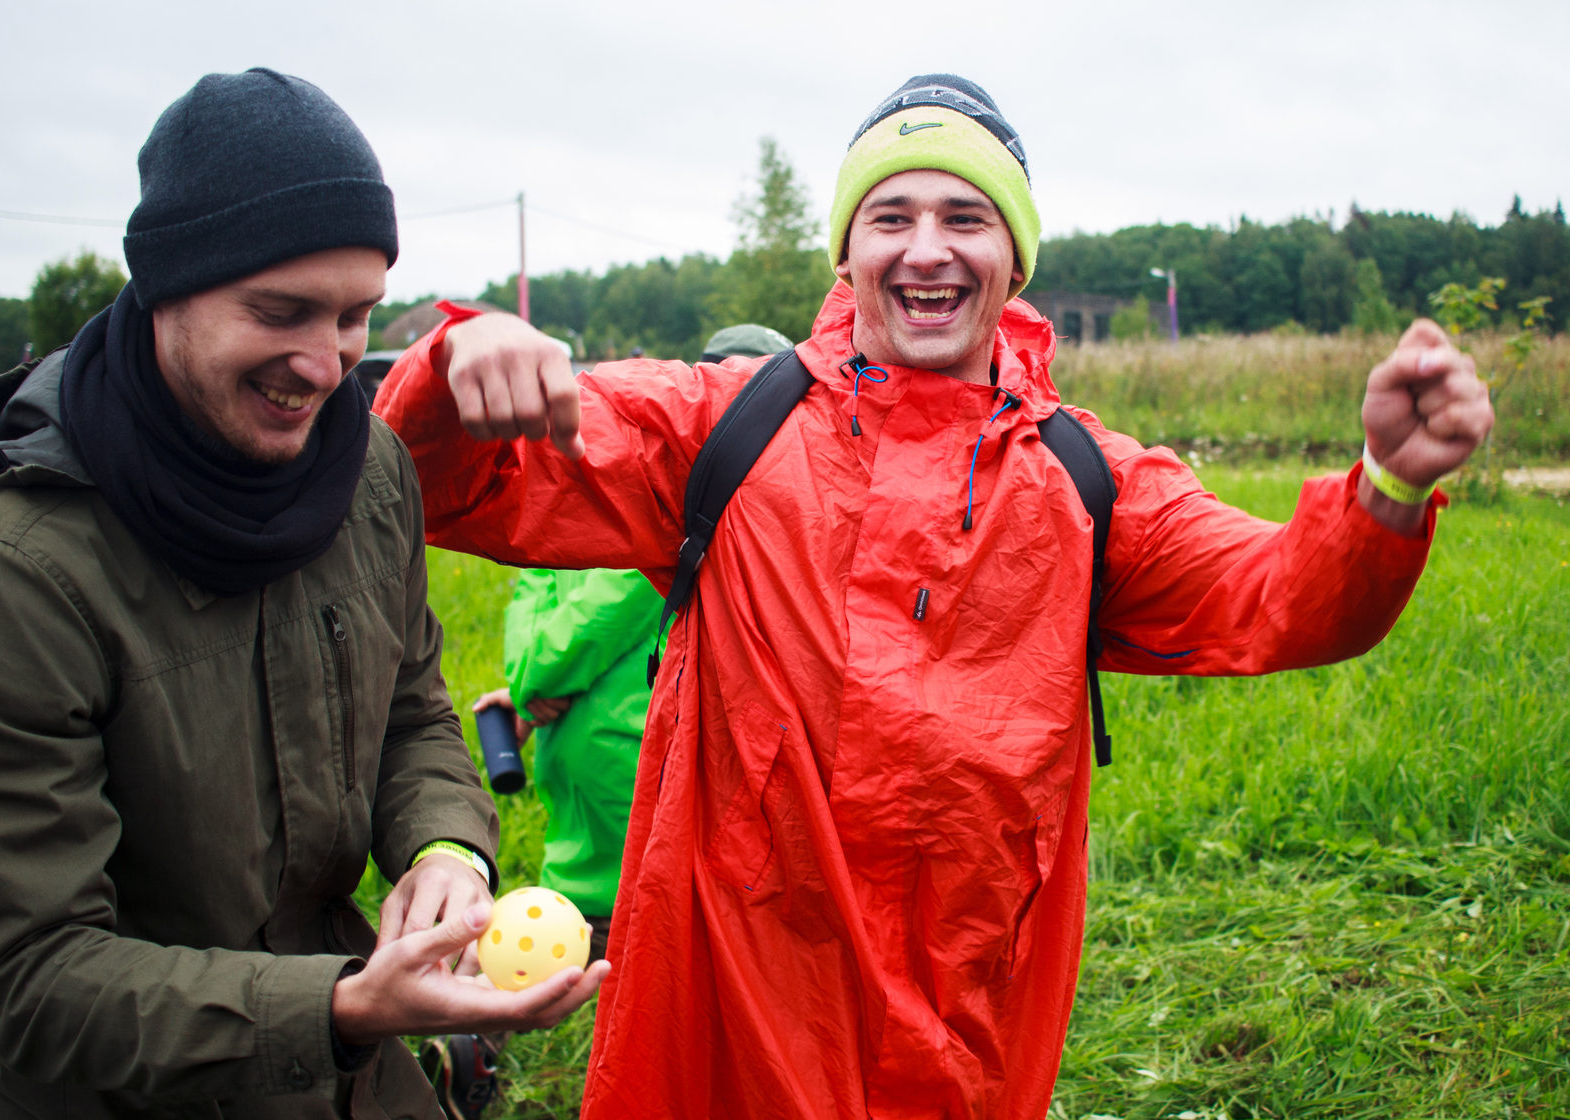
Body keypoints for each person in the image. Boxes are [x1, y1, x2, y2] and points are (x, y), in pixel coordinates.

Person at [373, 74, 1493, 1120]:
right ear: (848, 249)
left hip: (968, 1020)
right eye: (890, 216)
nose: (926, 250)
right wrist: (461, 366)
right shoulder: (720, 425)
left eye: (966, 217)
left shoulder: (1091, 485)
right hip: (730, 1001)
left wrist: (1386, 487)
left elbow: (1278, 596)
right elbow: (447, 484)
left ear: (1014, 257)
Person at [0, 68, 605, 1120]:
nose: (325, 366)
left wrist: (446, 847)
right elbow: (26, 977)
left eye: (357, 317)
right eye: (281, 312)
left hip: (348, 1078)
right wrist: (343, 1006)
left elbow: (414, 709)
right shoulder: (1, 572)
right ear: (169, 285)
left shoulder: (364, 472)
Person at [469, 323, 797, 962]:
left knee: (593, 910)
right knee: (622, 926)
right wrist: (534, 684)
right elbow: (574, 593)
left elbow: (558, 599)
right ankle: (482, 1015)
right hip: (615, 742)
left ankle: (478, 1019)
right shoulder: (682, 493)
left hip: (598, 738)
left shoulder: (692, 501)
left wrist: (531, 685)